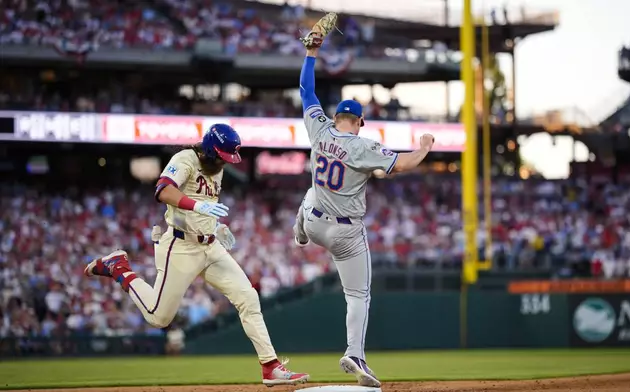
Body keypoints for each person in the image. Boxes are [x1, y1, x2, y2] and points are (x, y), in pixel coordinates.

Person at [84, 124, 309, 387]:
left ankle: (270, 366)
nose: (226, 163)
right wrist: (195, 204)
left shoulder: (217, 168)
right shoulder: (185, 159)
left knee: (248, 297)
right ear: (211, 150)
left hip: (210, 246)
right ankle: (118, 267)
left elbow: (207, 206)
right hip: (181, 246)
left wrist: (217, 226)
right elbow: (163, 190)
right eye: (224, 157)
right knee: (159, 317)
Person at [294, 15, 435, 388]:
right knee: (358, 295)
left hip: (314, 220)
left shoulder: (319, 129)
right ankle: (354, 354)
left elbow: (306, 92)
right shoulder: (361, 146)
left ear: (337, 116)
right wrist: (422, 149)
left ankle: (300, 228)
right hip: (344, 234)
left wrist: (311, 53)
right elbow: (401, 164)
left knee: (309, 194)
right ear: (357, 123)